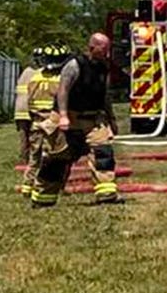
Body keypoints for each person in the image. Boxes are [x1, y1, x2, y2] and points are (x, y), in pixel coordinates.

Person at [33, 35, 122, 206]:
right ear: (91, 47)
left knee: (103, 153)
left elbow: (105, 95)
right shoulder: (74, 65)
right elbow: (63, 91)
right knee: (57, 158)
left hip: (93, 119)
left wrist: (111, 119)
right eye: (103, 50)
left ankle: (107, 194)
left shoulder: (103, 67)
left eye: (108, 49)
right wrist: (64, 116)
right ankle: (43, 197)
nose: (107, 53)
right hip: (68, 117)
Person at [25, 46, 70, 204]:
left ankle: (28, 186)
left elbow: (29, 100)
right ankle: (51, 187)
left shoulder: (35, 76)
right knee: (53, 157)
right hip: (53, 121)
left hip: (36, 121)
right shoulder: (62, 79)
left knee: (34, 157)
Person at [13, 47, 43, 193]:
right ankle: (31, 170)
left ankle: (26, 165)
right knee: (34, 144)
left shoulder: (25, 72)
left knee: (24, 141)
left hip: (20, 112)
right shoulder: (37, 74)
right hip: (31, 112)